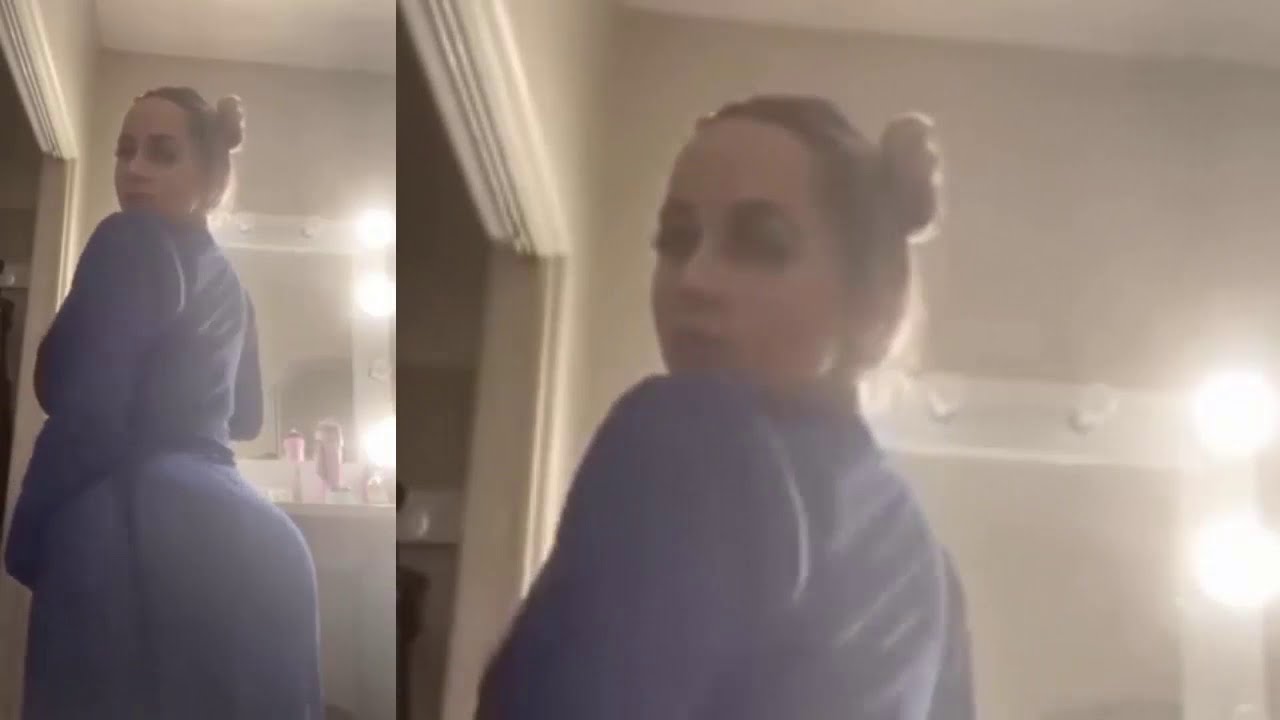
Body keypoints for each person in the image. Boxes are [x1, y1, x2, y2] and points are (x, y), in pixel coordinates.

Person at [476, 95, 976, 719]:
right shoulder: (930, 573)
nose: (694, 278)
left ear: (867, 299)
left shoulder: (686, 438)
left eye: (762, 245)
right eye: (676, 239)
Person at [5, 87, 324, 718]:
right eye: (125, 150)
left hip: (132, 525)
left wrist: (28, 536)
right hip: (264, 544)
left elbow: (90, 411)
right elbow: (246, 418)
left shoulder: (128, 239)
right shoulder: (233, 285)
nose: (134, 169)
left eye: (162, 153)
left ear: (210, 176)